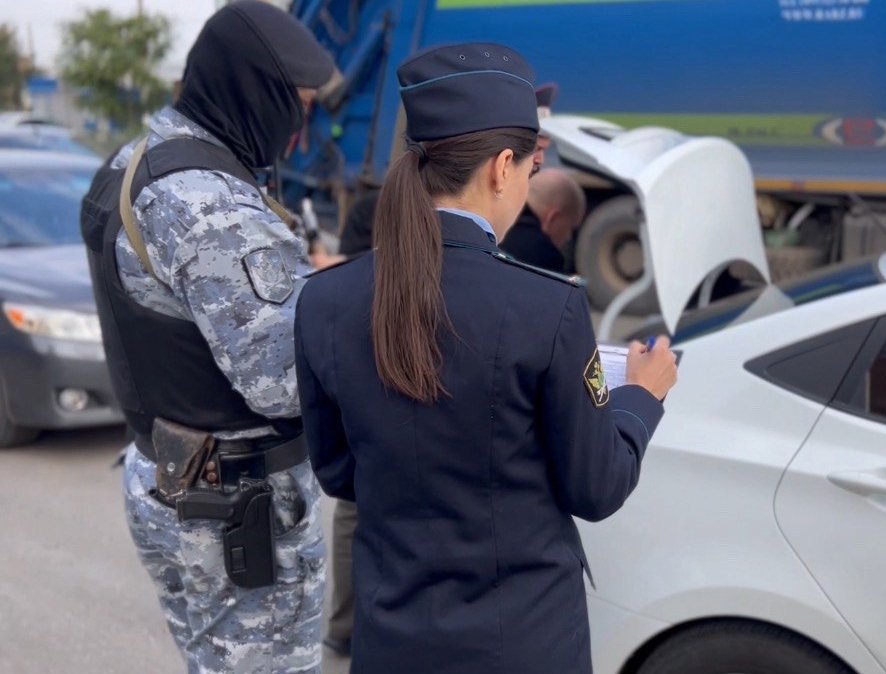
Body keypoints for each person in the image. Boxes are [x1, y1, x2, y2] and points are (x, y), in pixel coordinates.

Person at [294, 42, 678, 673]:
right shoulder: (546, 307)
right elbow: (597, 485)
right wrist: (641, 397)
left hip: (391, 638)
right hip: (520, 643)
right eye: (530, 170)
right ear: (503, 167)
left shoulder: (326, 300)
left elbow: (338, 473)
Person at [79, 2, 334, 671]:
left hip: (167, 478)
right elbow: (281, 381)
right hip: (235, 509)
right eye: (296, 105)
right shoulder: (210, 201)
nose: (299, 130)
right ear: (254, 92)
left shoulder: (137, 160)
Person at [500, 166, 586, 273]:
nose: (568, 238)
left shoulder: (490, 223)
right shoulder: (545, 256)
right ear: (552, 218)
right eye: (571, 229)